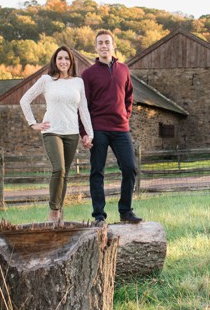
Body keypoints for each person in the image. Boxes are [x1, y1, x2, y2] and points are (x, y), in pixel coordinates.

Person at [19, 46, 93, 222]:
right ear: (55, 61)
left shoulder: (78, 82)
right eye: (60, 58)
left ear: (71, 62)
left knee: (65, 173)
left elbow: (83, 110)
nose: (63, 62)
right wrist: (33, 123)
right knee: (58, 169)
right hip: (52, 131)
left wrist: (89, 134)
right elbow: (24, 100)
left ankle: (60, 211)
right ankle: (53, 211)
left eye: (67, 59)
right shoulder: (46, 80)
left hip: (72, 133)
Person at [80, 29, 142, 226]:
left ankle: (126, 211)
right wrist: (85, 133)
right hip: (98, 128)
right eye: (100, 43)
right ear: (96, 47)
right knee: (97, 171)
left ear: (113, 45)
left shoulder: (123, 69)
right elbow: (82, 106)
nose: (104, 45)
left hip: (121, 129)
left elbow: (129, 96)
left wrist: (125, 115)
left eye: (107, 42)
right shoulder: (88, 74)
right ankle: (99, 215)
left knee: (130, 168)